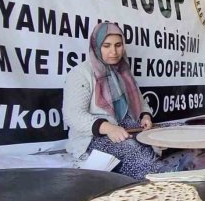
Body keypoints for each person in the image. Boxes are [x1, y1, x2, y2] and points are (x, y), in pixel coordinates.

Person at [63, 22, 194, 180]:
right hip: (94, 137)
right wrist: (108, 128)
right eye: (107, 46)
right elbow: (72, 115)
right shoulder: (81, 74)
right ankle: (162, 177)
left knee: (176, 131)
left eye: (118, 45)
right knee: (131, 148)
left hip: (128, 127)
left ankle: (180, 168)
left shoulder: (123, 71)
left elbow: (140, 101)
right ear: (96, 46)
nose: (114, 51)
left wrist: (145, 116)